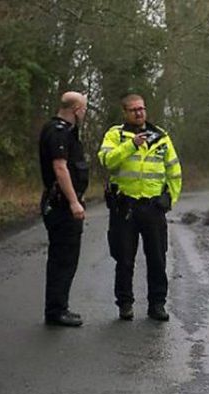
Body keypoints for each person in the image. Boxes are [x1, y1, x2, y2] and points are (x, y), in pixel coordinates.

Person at [98, 93, 182, 321]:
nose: (139, 113)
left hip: (153, 207)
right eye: (134, 110)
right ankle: (125, 303)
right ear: (125, 112)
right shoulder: (115, 135)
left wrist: (169, 199)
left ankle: (157, 304)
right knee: (124, 258)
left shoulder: (161, 136)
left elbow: (174, 171)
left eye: (142, 109)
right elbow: (107, 160)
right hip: (124, 207)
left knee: (157, 258)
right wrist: (130, 146)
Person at [39, 91, 89, 327]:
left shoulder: (61, 130)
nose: (85, 114)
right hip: (61, 205)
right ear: (77, 109)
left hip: (61, 203)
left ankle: (58, 307)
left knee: (64, 257)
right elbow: (60, 168)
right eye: (84, 110)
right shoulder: (58, 132)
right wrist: (73, 202)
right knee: (63, 259)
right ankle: (57, 310)